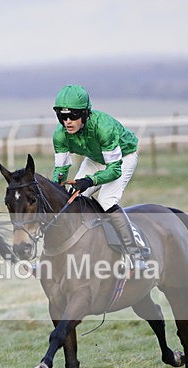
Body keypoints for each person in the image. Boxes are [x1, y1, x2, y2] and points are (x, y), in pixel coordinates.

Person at [51, 84, 151, 270]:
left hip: (122, 157)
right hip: (96, 158)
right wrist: (55, 189)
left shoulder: (103, 127)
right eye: (62, 116)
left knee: (105, 200)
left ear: (85, 114)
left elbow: (114, 170)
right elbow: (61, 170)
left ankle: (135, 252)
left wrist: (89, 181)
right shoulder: (60, 134)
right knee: (74, 198)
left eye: (73, 115)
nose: (68, 122)